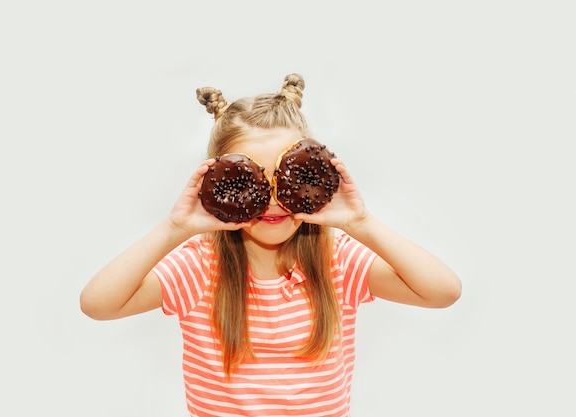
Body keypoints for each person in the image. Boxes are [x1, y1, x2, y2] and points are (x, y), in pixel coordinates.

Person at [80, 73, 462, 417]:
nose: (274, 199)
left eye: (290, 178)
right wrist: (175, 227)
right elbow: (98, 304)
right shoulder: (199, 268)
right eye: (251, 182)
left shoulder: (338, 261)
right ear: (216, 182)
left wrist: (361, 223)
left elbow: (442, 292)